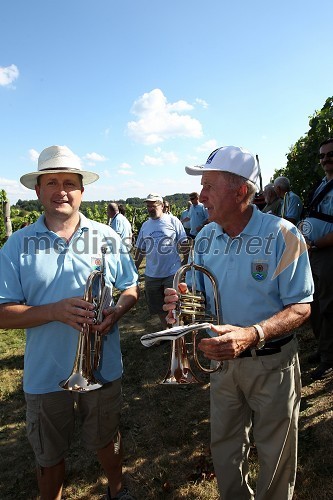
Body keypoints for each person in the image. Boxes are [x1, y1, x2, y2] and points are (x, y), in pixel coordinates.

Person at [163, 146, 313, 500]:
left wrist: (252, 334)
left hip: (271, 363)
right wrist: (181, 305)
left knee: (276, 455)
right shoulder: (205, 237)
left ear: (240, 191)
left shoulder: (284, 235)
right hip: (223, 366)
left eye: (209, 186)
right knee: (226, 450)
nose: (201, 197)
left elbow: (302, 307)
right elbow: (197, 298)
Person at [0, 145, 139, 500]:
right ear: (38, 191)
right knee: (48, 456)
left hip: (102, 366)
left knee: (107, 438)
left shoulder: (105, 237)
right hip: (45, 375)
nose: (61, 190)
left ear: (81, 191)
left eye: (69, 183)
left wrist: (116, 312)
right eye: (51, 182)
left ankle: (117, 490)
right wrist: (53, 311)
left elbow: (130, 287)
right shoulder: (17, 245)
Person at [300, 138, 333, 380]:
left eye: (330, 155)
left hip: (327, 252)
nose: (325, 159)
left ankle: (329, 358)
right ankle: (324, 350)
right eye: (322, 156)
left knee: (329, 305)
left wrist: (315, 242)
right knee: (316, 304)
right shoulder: (322, 184)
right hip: (314, 251)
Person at [134, 193, 186, 329]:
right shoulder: (145, 226)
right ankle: (166, 331)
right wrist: (134, 267)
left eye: (154, 205)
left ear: (162, 206)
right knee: (158, 307)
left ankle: (177, 332)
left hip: (172, 272)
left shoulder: (173, 221)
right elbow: (140, 249)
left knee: (174, 305)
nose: (150, 208)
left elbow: (184, 243)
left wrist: (185, 265)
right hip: (152, 274)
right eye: (148, 205)